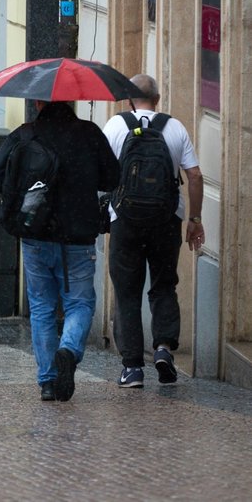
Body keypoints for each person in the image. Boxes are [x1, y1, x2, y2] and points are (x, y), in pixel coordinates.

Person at [0, 101, 120, 402]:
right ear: (71, 101)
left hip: (35, 233)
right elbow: (113, 178)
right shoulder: (89, 133)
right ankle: (68, 351)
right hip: (78, 237)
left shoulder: (26, 134)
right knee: (80, 304)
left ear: (37, 103)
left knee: (42, 307)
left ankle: (47, 380)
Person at [102, 74, 204, 388]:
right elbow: (196, 176)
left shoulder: (116, 126)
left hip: (125, 220)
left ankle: (132, 368)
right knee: (163, 285)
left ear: (129, 99)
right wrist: (194, 219)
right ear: (157, 100)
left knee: (127, 292)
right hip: (166, 220)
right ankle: (163, 347)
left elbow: (101, 173)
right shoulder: (174, 127)